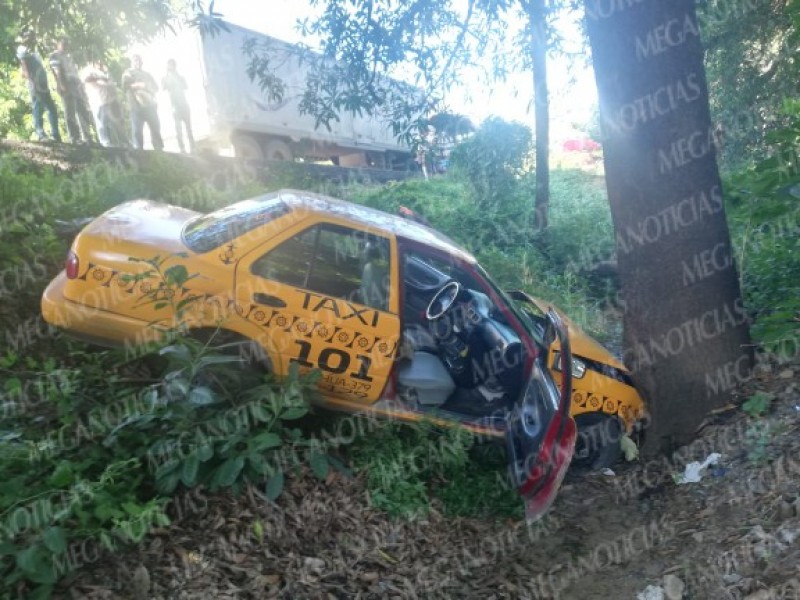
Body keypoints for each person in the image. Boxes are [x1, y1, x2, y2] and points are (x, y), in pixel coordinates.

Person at [16, 29, 61, 142]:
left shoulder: (34, 50)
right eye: (29, 36)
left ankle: (56, 135)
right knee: (38, 107)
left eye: (33, 36)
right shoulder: (22, 50)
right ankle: (41, 134)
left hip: (43, 83)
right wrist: (33, 83)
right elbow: (25, 69)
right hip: (34, 83)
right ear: (25, 38)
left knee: (51, 108)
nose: (32, 38)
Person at [49, 37, 96, 144]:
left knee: (82, 110)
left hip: (76, 84)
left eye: (67, 44)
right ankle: (74, 138)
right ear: (58, 44)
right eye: (63, 44)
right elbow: (56, 71)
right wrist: (60, 85)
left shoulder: (68, 57)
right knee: (70, 111)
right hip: (66, 83)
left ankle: (87, 137)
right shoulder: (55, 55)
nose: (65, 46)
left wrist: (81, 86)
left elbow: (74, 72)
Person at [121, 54, 163, 150]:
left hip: (150, 106)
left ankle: (160, 151)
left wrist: (147, 87)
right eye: (135, 60)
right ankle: (139, 154)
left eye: (139, 60)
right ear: (132, 62)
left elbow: (156, 88)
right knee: (137, 132)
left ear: (142, 62)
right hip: (135, 107)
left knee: (155, 129)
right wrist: (139, 85)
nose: (138, 62)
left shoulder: (147, 74)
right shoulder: (127, 73)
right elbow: (125, 86)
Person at [81, 60, 127, 147]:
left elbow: (112, 84)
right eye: (97, 61)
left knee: (118, 124)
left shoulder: (105, 71)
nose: (99, 62)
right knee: (101, 125)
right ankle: (106, 144)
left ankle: (124, 143)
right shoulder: (88, 70)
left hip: (112, 101)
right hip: (99, 102)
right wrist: (100, 78)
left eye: (100, 61)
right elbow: (86, 79)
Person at [161, 59, 195, 153]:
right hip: (175, 107)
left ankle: (193, 147)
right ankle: (182, 148)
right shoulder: (165, 78)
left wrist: (177, 76)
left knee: (189, 128)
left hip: (184, 105)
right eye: (169, 65)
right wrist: (168, 75)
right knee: (178, 129)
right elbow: (163, 87)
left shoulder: (180, 77)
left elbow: (185, 86)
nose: (171, 67)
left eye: (173, 65)